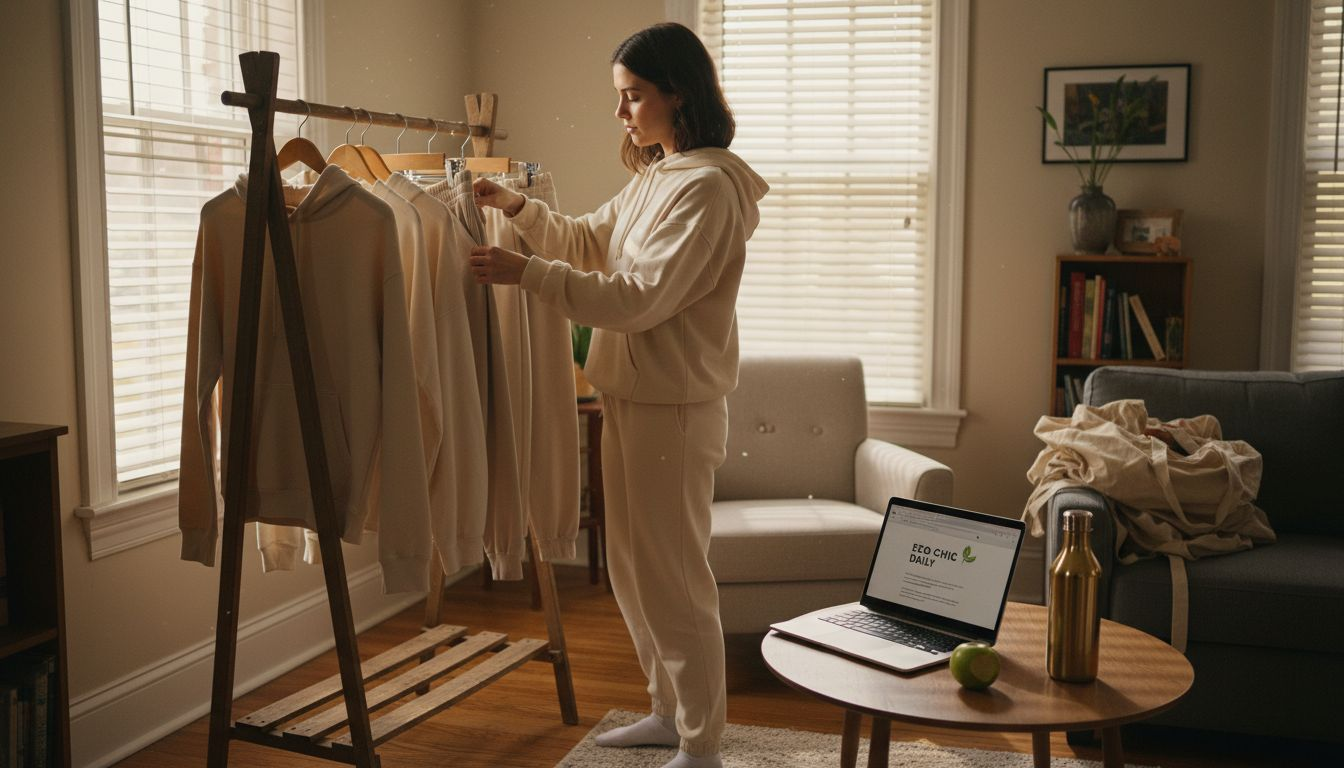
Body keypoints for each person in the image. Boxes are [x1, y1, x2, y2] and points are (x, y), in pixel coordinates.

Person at [468, 21, 767, 768]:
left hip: (676, 409)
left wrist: (526, 275)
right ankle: (668, 712)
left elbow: (636, 299)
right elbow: (587, 240)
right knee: (635, 571)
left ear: (678, 93)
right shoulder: (657, 178)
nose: (621, 113)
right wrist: (518, 209)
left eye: (633, 97)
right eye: (619, 97)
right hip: (632, 398)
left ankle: (703, 744)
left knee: (674, 575)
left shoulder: (707, 190)